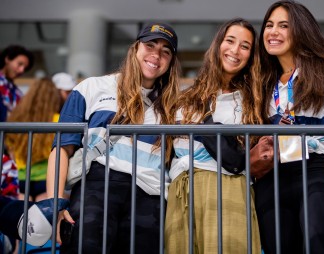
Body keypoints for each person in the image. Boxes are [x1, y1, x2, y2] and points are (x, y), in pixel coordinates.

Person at [46, 22, 181, 253]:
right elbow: (61, 149)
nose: (156, 55)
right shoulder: (92, 87)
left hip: (152, 196)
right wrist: (55, 206)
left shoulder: (174, 106)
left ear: (170, 63)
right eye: (150, 45)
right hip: (97, 186)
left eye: (165, 51)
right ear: (135, 49)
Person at [255, 0, 324, 254]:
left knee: (317, 242)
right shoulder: (260, 80)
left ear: (301, 29)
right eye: (269, 25)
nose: (273, 32)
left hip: (314, 169)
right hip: (271, 175)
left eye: (283, 25)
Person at [164, 18, 263, 254]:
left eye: (245, 46)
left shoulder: (253, 101)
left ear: (251, 56)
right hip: (181, 190)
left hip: (226, 187)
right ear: (218, 44)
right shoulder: (186, 98)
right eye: (230, 41)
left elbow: (244, 155)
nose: (235, 50)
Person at [5, 77, 62, 202]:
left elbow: (11, 150)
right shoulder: (58, 121)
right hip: (46, 180)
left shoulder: (16, 119)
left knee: (22, 219)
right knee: (43, 219)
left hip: (21, 179)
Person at [0, 45, 34, 122]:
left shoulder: (17, 92)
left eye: (25, 68)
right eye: (20, 64)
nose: (21, 70)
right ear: (7, 59)